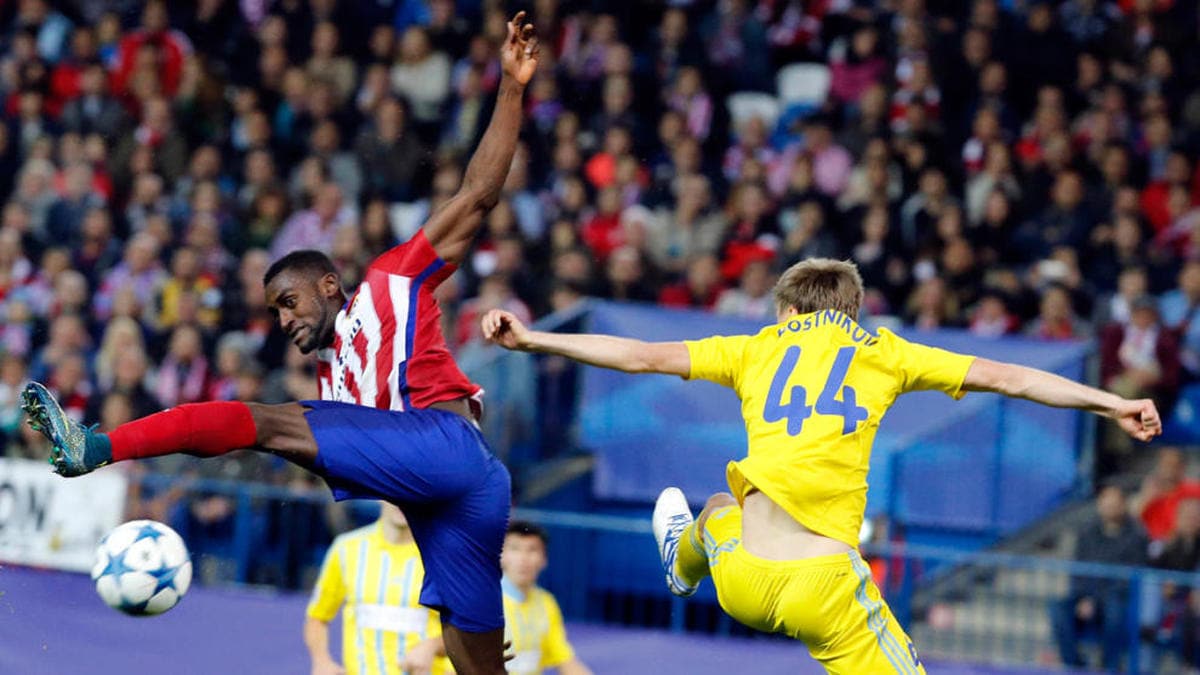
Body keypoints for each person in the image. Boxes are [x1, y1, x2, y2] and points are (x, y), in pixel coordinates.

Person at [22, 13, 540, 675]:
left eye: (289, 301)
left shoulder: (392, 281)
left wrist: (512, 88)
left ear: (329, 283)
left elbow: (478, 193)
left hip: (445, 444)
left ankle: (97, 445)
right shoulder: (334, 380)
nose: (284, 319)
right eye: (274, 311)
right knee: (478, 666)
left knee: (260, 420)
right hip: (463, 496)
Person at [481, 258, 1162, 674]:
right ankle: (688, 553)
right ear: (851, 311)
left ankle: (686, 560)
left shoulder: (755, 347)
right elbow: (1012, 378)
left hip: (743, 579)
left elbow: (640, 355)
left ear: (787, 310)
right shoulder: (884, 350)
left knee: (721, 506)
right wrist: (1111, 402)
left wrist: (534, 336)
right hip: (823, 586)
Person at [305, 502, 452, 675]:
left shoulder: (445, 557)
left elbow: (471, 631)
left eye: (409, 493)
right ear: (379, 494)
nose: (402, 501)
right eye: (393, 491)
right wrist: (321, 662)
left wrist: (433, 646)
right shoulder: (346, 549)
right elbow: (317, 618)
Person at [1050, 485, 1149, 671]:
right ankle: (1074, 665)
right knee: (1058, 608)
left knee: (1115, 611)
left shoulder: (1137, 535)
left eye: (1114, 504)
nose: (1109, 508)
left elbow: (1128, 577)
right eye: (1106, 503)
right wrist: (1084, 597)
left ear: (1123, 505)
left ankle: (1108, 666)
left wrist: (1094, 599)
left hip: (1116, 596)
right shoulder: (1087, 532)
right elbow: (1079, 570)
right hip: (1086, 595)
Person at [500, 521, 592, 675]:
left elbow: (565, 660)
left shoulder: (546, 603)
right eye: (515, 549)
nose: (523, 558)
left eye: (532, 550)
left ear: (544, 559)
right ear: (501, 556)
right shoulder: (481, 602)